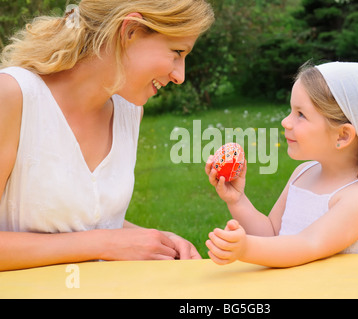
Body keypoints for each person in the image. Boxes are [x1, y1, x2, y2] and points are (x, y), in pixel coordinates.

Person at [0, 0, 214, 271]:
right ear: (130, 31)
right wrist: (103, 243)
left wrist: (157, 241)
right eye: (176, 52)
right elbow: (98, 238)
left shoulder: (130, 112)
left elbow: (86, 219)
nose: (180, 75)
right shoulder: (13, 95)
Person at [205, 61, 358, 268]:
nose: (285, 122)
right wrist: (237, 200)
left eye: (301, 115)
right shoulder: (303, 173)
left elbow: (307, 244)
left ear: (342, 136)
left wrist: (246, 248)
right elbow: (272, 235)